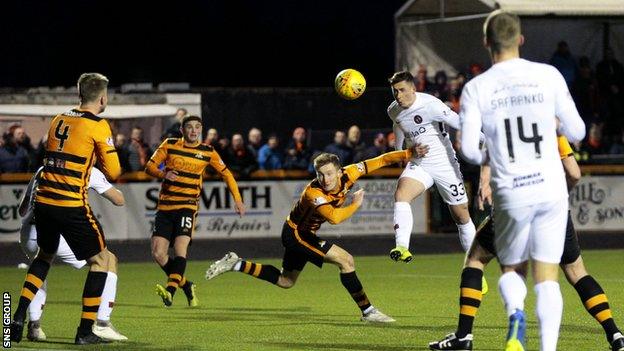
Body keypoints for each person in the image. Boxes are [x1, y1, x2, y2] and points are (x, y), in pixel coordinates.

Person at [459, 11, 586, 351]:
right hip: (550, 189)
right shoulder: (548, 75)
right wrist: (553, 125)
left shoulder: (476, 88)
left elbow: (469, 151)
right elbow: (578, 131)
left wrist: (490, 149)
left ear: (487, 43)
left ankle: (516, 314)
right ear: (521, 39)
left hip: (512, 190)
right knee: (547, 278)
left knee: (512, 271)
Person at [429, 136, 624, 351]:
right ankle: (615, 334)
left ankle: (465, 335)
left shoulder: (502, 120)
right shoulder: (550, 126)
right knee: (576, 272)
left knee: (476, 260)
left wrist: (485, 183)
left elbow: (483, 151)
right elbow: (575, 173)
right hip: (552, 208)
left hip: (514, 205)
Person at [205, 148, 427, 322]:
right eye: (320, 174)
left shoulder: (351, 172)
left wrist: (408, 154)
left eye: (329, 173)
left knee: (286, 281)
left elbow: (382, 160)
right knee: (346, 260)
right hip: (296, 234)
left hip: (299, 232)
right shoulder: (314, 193)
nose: (325, 179)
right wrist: (356, 204)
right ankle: (368, 311)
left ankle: (236, 264)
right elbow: (335, 218)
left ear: (340, 172)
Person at [9, 72, 122, 345]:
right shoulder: (99, 125)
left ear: (79, 93)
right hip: (70, 204)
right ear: (103, 98)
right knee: (103, 261)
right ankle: (86, 331)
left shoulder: (59, 118)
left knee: (44, 257)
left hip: (44, 203)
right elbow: (115, 171)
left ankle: (18, 317)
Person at [145, 115, 246, 307]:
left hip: (188, 206)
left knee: (180, 248)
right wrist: (163, 173)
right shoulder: (170, 145)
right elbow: (148, 167)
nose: (193, 131)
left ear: (200, 130)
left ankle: (170, 291)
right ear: (182, 130)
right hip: (165, 208)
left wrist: (238, 200)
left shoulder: (208, 152)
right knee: (158, 253)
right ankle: (186, 285)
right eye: (189, 127)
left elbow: (226, 174)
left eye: (197, 127)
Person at [18, 167, 127, 342]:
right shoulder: (84, 167)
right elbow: (119, 200)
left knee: (40, 268)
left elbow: (22, 210)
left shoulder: (43, 168)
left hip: (28, 232)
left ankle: (34, 326)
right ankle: (102, 323)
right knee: (106, 260)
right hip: (55, 228)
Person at [386, 70, 478, 265]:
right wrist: (400, 151)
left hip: (445, 164)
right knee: (401, 195)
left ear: (413, 88)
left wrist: (485, 140)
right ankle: (402, 246)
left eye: (402, 90)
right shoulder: (394, 109)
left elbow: (459, 122)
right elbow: (398, 125)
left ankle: (474, 267)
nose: (398, 95)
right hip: (420, 164)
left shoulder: (430, 105)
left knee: (461, 216)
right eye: (395, 92)